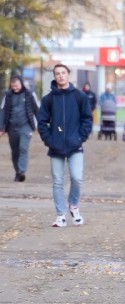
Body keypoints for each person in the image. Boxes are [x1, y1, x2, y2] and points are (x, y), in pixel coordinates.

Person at [37, 64, 93, 228]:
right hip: (56, 147)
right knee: (58, 182)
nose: (60, 76)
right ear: (54, 77)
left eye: (63, 73)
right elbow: (42, 122)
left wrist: (80, 137)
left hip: (75, 145)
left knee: (77, 178)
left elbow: (87, 119)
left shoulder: (79, 96)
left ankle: (73, 206)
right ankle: (60, 215)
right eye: (57, 74)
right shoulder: (48, 99)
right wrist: (50, 140)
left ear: (68, 74)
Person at [0, 75, 39, 182]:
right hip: (12, 127)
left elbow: (36, 110)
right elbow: (2, 112)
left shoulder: (29, 94)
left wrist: (40, 125)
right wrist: (1, 128)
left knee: (23, 148)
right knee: (15, 151)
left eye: (17, 85)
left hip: (25, 126)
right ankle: (18, 172)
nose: (15, 88)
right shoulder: (7, 96)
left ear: (21, 84)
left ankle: (22, 171)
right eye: (13, 86)